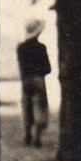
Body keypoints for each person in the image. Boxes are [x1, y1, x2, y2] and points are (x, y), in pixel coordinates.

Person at [17, 18, 52, 148]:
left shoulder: (21, 47)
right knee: (40, 107)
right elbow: (48, 68)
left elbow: (21, 65)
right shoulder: (41, 48)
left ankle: (27, 135)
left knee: (27, 106)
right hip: (38, 79)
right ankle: (37, 138)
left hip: (25, 80)